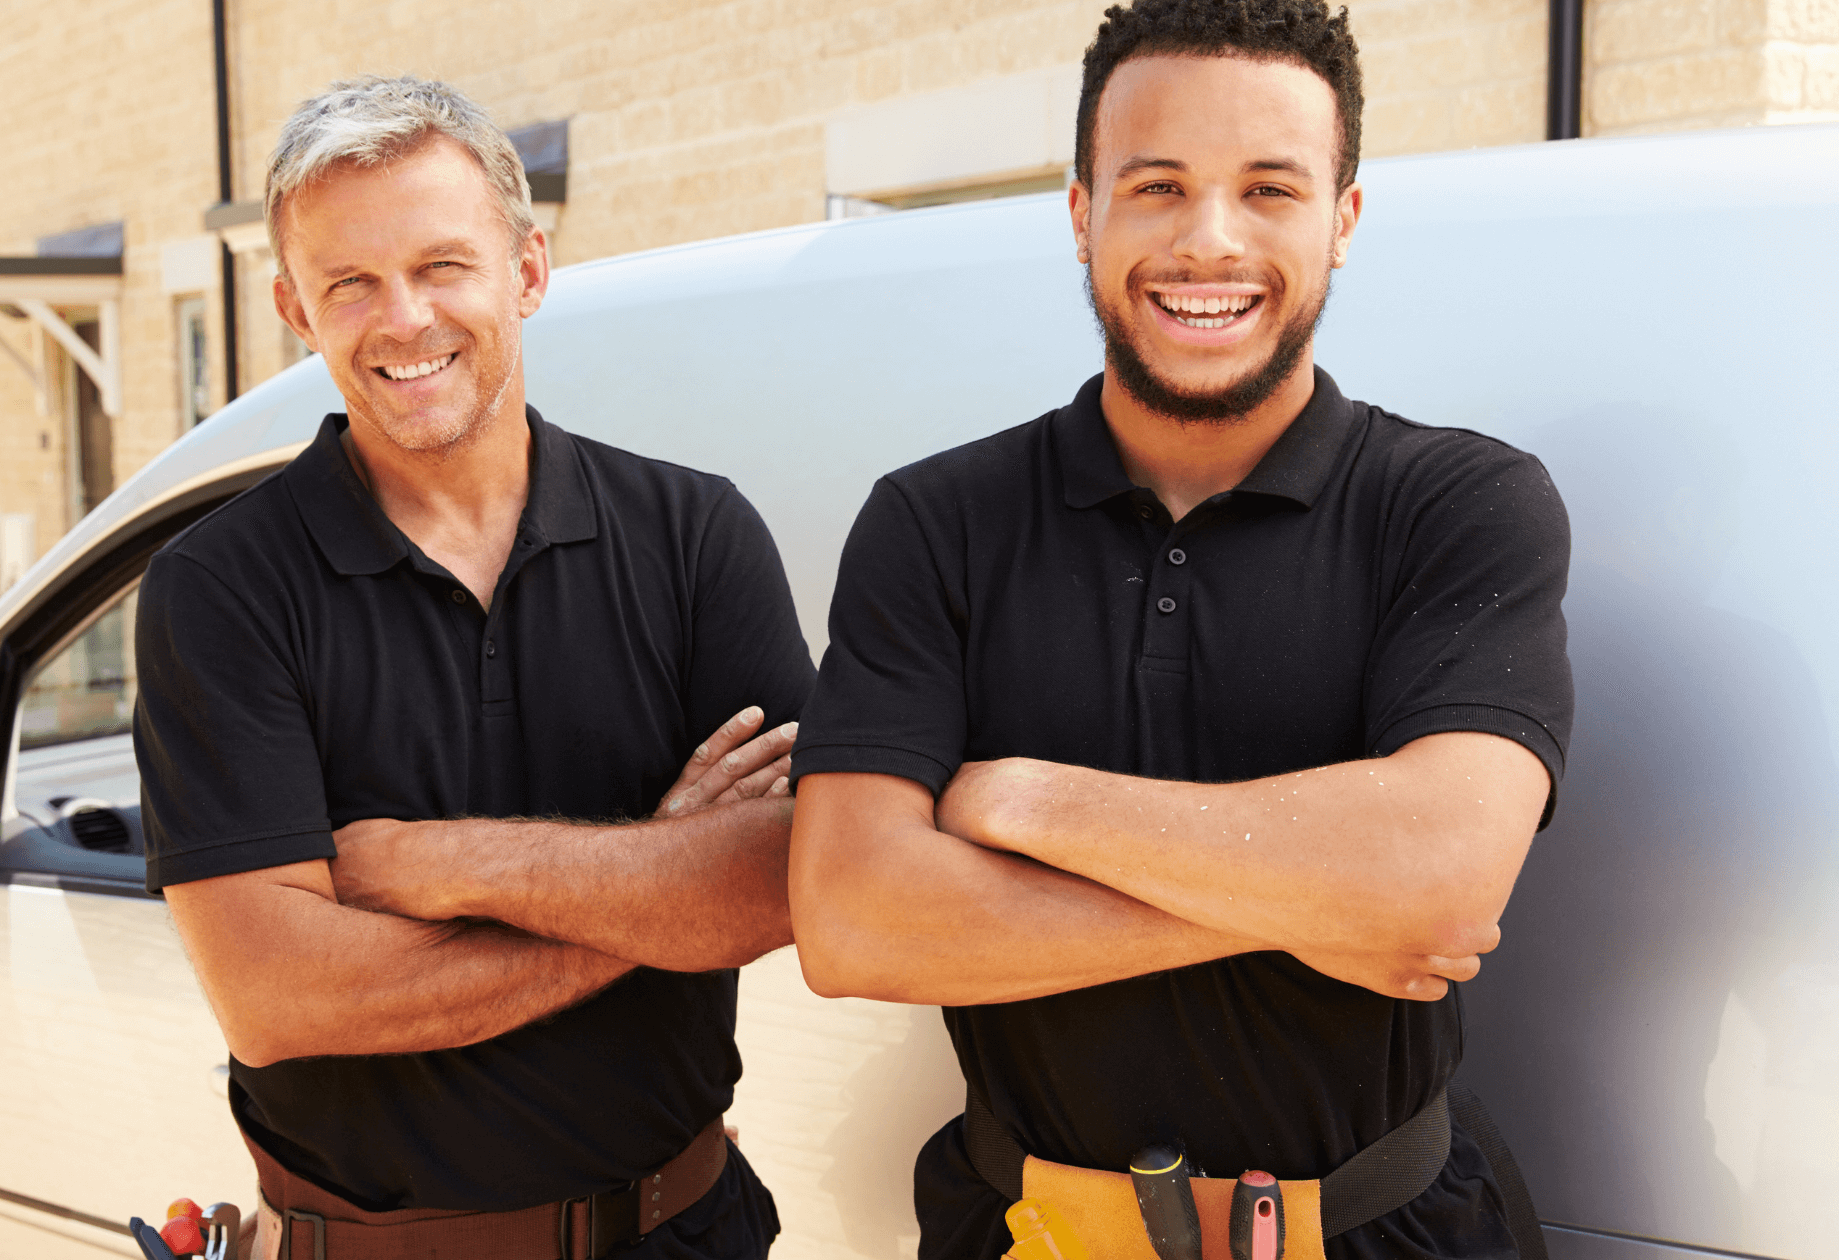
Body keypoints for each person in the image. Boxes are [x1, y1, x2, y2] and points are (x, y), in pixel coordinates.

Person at [786, 3, 1573, 1258]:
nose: (1209, 242)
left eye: (1269, 188)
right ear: (1081, 212)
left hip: (1383, 1231)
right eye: (1156, 187)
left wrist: (1022, 804)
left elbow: (1436, 877)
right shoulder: (935, 524)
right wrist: (1319, 903)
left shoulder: (1456, 504)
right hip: (1027, 1235)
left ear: (1342, 221)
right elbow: (854, 923)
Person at [134, 76, 812, 1260]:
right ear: (297, 309)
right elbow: (281, 999)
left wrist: (428, 861)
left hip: (686, 1233)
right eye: (351, 282)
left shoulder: (695, 536)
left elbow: (782, 880)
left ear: (527, 272)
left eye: (442, 265)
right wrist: (659, 885)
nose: (402, 318)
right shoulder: (222, 588)